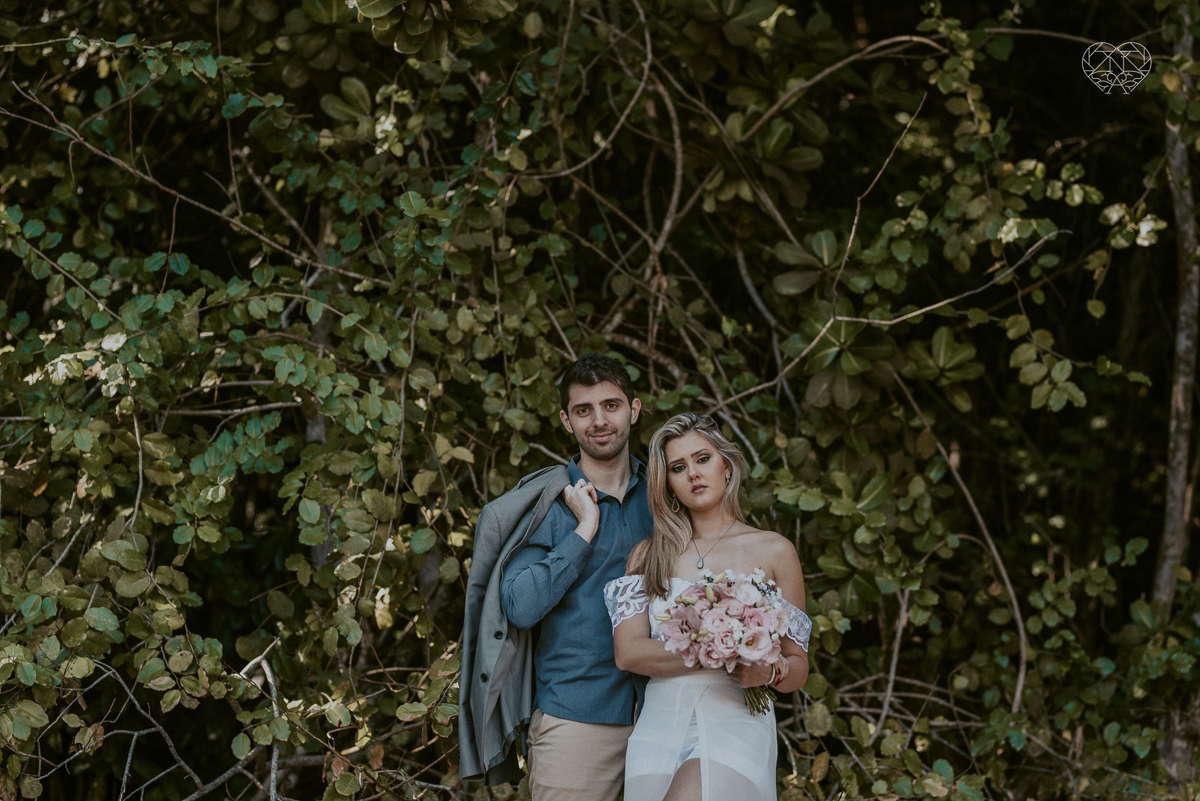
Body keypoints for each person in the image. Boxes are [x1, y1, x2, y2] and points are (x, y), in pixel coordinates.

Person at [603, 412, 811, 801]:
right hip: (659, 725)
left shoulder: (775, 550)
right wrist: (718, 646)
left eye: (703, 459)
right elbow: (627, 653)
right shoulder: (647, 555)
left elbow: (798, 665)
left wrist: (768, 671)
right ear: (668, 486)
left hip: (736, 721)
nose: (694, 474)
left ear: (727, 466)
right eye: (678, 468)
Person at [499, 353, 653, 801]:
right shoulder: (543, 503)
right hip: (578, 719)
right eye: (584, 410)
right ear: (567, 421)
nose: (599, 420)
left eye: (611, 405)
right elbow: (520, 607)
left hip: (666, 713)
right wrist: (584, 530)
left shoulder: (666, 495)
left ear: (634, 410)